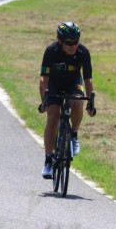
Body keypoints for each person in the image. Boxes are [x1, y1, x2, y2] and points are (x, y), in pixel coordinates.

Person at [39, 22, 95, 179]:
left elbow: (88, 80)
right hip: (54, 83)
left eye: (76, 42)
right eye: (69, 43)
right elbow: (43, 79)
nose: (73, 46)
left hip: (73, 82)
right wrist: (44, 101)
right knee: (53, 116)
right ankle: (48, 160)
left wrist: (90, 102)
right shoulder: (51, 51)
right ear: (60, 41)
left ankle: (74, 134)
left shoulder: (83, 52)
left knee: (78, 103)